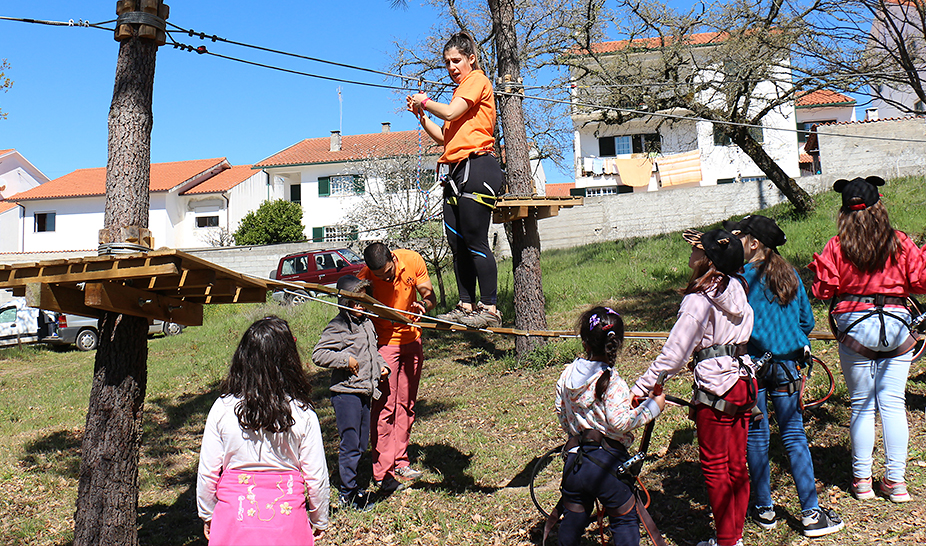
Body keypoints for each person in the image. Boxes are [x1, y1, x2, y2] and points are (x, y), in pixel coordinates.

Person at [632, 228, 755, 546]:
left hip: (717, 389)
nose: (691, 253)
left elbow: (673, 354)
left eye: (697, 249)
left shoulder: (698, 301)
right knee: (736, 464)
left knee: (716, 468)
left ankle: (727, 541)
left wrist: (645, 386)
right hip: (743, 381)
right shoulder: (738, 288)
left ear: (707, 259)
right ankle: (734, 537)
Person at [808, 175, 926, 503]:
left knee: (862, 403)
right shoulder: (900, 242)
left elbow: (822, 290)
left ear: (844, 212)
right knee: (893, 402)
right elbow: (921, 281)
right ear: (879, 207)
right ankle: (896, 482)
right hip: (897, 328)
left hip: (854, 329)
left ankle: (862, 482)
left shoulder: (837, 245)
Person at [724, 215, 843, 537]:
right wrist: (788, 339)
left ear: (754, 242)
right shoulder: (789, 274)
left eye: (742, 237)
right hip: (789, 366)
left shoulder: (740, 279)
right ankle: (811, 513)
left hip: (752, 367)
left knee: (757, 435)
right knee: (794, 436)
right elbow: (806, 321)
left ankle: (764, 509)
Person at [196, 316, 329, 545]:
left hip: (233, 521)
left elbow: (208, 473)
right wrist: (319, 519)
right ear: (288, 359)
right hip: (287, 523)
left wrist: (208, 514)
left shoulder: (222, 408)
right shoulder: (303, 413)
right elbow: (316, 478)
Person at [407, 32, 505, 329]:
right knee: (457, 243)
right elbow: (445, 138)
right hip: (455, 169)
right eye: (447, 62)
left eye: (456, 61)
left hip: (478, 165)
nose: (451, 67)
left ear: (471, 58)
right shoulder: (458, 92)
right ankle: (466, 304)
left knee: (475, 239)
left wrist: (425, 99)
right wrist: (421, 116)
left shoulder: (476, 81)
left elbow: (449, 111)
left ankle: (490, 307)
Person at [555, 306, 665, 546]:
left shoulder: (566, 375)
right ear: (617, 344)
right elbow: (619, 423)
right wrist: (653, 407)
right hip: (606, 468)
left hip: (575, 463)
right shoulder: (612, 382)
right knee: (624, 519)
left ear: (585, 342)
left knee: (572, 519)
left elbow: (563, 416)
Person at [358, 242, 437, 493]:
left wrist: (425, 303)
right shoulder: (365, 277)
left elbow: (429, 294)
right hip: (385, 346)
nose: (388, 279)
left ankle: (401, 460)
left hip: (412, 341)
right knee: (385, 407)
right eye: (381, 277)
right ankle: (382, 471)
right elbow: (350, 303)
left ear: (393, 258)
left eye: (389, 273)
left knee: (407, 404)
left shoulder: (413, 260)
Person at [312, 275, 390, 511]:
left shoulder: (367, 323)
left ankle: (355, 487)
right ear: (344, 302)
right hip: (346, 393)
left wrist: (381, 365)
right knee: (350, 442)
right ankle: (347, 493)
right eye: (355, 301)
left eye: (363, 299)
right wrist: (345, 360)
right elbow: (319, 354)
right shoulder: (339, 325)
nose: (360, 305)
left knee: (361, 442)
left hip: (365, 390)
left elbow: (372, 352)